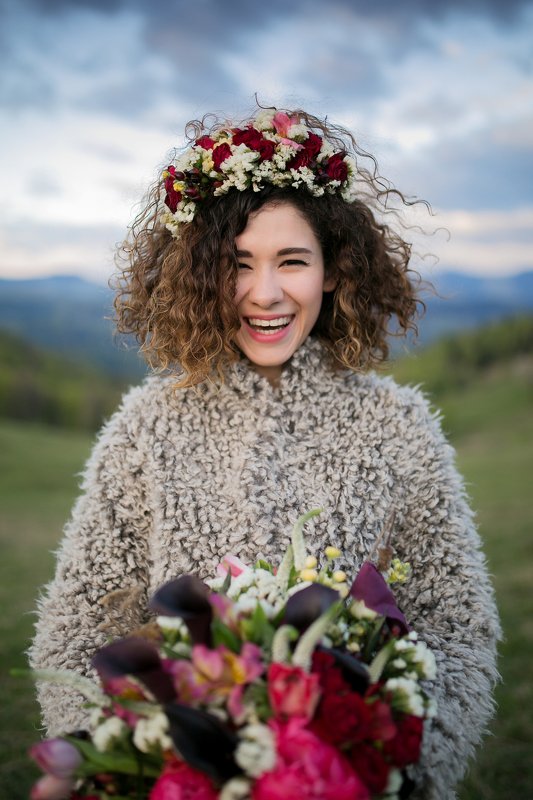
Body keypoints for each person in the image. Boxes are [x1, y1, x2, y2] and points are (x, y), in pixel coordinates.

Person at [29, 105, 500, 799]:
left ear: (334, 270)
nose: (265, 293)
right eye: (237, 264)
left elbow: (455, 626)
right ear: (197, 274)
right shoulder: (144, 428)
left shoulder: (399, 428)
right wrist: (121, 767)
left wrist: (398, 766)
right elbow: (77, 624)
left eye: (292, 261)